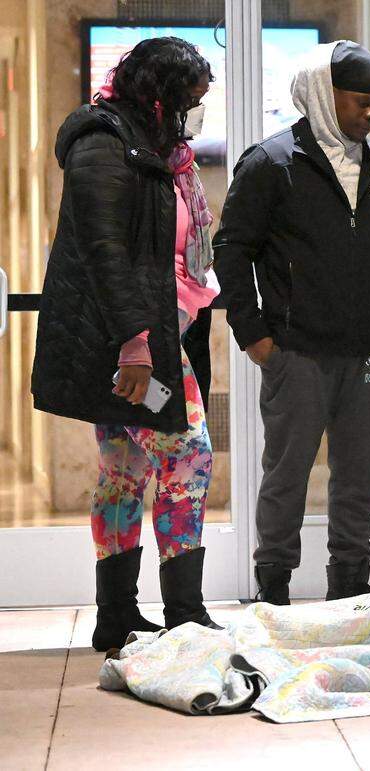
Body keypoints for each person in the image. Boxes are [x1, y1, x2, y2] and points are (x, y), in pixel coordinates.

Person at [214, 41, 370, 605]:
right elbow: (231, 252)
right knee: (287, 472)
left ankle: (349, 585)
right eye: (360, 101)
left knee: (359, 477)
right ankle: (274, 585)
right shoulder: (270, 164)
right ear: (324, 96)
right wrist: (255, 336)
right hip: (296, 351)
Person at [31, 37, 222, 652]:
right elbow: (105, 253)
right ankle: (185, 615)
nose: (196, 115)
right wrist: (136, 346)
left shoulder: (158, 148)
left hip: (153, 334)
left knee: (125, 466)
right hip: (129, 347)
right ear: (158, 96)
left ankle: (117, 618)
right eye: (190, 101)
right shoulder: (101, 142)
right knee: (188, 454)